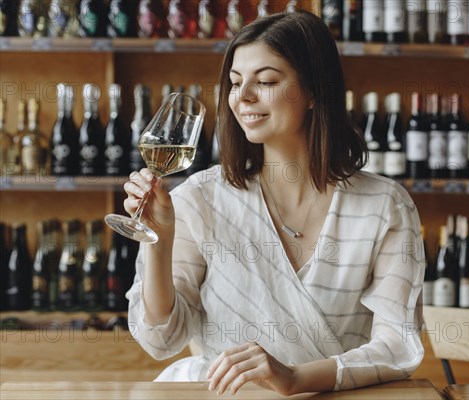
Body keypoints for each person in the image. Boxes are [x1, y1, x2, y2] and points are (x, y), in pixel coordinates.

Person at [124, 10, 425, 396]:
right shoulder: (200, 198)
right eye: (235, 83)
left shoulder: (385, 206)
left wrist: (297, 379)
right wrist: (159, 241)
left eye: (265, 81)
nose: (243, 97)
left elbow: (398, 348)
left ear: (314, 91)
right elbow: (159, 340)